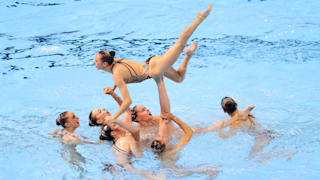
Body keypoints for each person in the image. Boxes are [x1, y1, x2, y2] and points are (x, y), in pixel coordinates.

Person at [93, 4, 212, 123]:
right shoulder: (115, 62)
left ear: (104, 64)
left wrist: (113, 117)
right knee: (179, 78)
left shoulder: (116, 74)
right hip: (151, 63)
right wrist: (113, 88)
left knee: (180, 43)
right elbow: (123, 76)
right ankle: (188, 54)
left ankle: (199, 18)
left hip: (154, 68)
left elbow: (128, 101)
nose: (94, 63)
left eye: (96, 61)